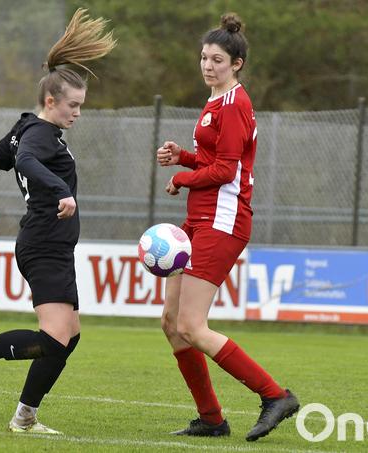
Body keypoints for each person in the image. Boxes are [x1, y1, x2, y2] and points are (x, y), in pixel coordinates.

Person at [0, 8, 116, 435]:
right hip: (44, 245)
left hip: (51, 245)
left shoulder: (23, 128)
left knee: (69, 336)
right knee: (53, 338)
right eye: (72, 106)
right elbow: (27, 161)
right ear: (51, 102)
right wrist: (62, 190)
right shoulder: (39, 136)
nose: (77, 113)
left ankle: (25, 416)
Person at [156, 13, 300, 442]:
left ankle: (275, 396)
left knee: (191, 325)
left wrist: (183, 177)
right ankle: (211, 419)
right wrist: (183, 157)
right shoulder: (216, 100)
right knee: (172, 322)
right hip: (200, 218)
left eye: (217, 60)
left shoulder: (235, 103)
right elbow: (213, 160)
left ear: (237, 64)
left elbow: (225, 171)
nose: (208, 65)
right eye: (204, 57)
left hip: (222, 220)